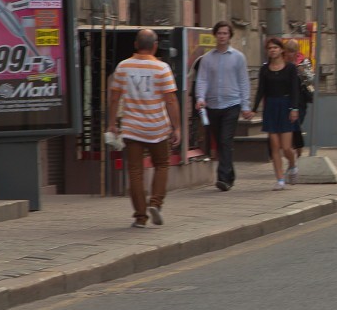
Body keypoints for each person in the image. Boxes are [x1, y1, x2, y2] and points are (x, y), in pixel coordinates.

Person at [107, 29, 181, 228]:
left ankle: (140, 216)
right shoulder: (162, 68)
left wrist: (112, 123)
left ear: (135, 45)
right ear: (155, 46)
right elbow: (171, 100)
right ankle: (155, 202)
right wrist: (177, 127)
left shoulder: (123, 67)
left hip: (132, 128)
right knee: (162, 164)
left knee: (135, 172)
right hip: (157, 127)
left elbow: (114, 97)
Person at [195, 21, 252, 192]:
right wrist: (200, 98)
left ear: (229, 36)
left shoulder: (238, 57)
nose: (222, 36)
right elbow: (202, 79)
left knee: (226, 140)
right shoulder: (207, 58)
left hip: (231, 104)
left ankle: (223, 179)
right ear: (215, 35)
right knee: (220, 142)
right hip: (213, 105)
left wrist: (245, 105)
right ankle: (230, 175)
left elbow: (243, 82)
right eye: (219, 33)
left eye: (225, 33)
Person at [252, 37, 300, 190]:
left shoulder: (290, 68)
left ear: (281, 50)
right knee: (274, 146)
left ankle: (292, 165)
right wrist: (253, 109)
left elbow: (294, 90)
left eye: (275, 47)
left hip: (286, 106)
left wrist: (294, 108)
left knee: (286, 147)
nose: (272, 50)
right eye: (269, 48)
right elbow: (261, 90)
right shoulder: (264, 69)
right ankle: (280, 179)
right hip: (271, 107)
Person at [284, 38, 315, 156]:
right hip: (286, 98)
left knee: (296, 126)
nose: (289, 54)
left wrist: (301, 72)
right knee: (289, 128)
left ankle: (298, 151)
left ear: (297, 52)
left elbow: (311, 79)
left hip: (300, 98)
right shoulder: (282, 62)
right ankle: (292, 151)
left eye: (292, 51)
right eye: (288, 51)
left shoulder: (303, 62)